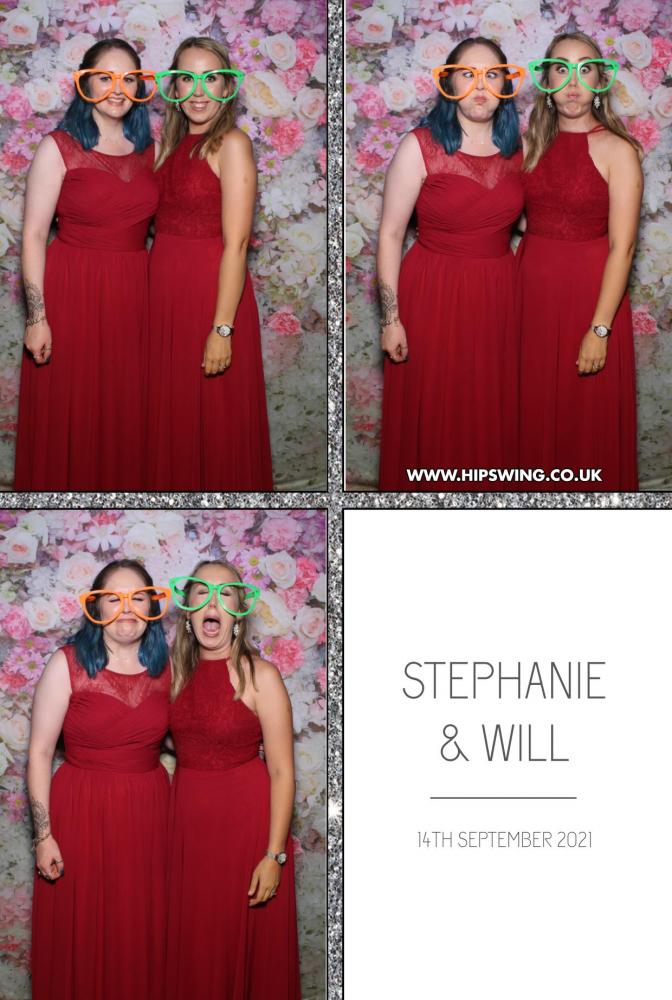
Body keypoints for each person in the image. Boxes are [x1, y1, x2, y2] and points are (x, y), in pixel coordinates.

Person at [377, 37, 526, 491]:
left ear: (505, 84)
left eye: (491, 75)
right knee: (435, 410)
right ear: (449, 82)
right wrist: (391, 319)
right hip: (433, 293)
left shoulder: (522, 148)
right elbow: (390, 234)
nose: (480, 86)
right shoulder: (419, 146)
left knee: (492, 411)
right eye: (467, 74)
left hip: (500, 294)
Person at [14, 40, 159, 490]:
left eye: (128, 78)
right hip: (72, 291)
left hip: (134, 296)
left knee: (127, 410)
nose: (117, 89)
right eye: (105, 77)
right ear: (85, 82)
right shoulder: (58, 147)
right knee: (69, 409)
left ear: (139, 87)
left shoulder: (151, 150)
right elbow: (34, 235)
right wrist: (37, 317)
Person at [28, 559, 171, 999]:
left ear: (152, 606)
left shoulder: (169, 667)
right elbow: (39, 753)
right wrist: (44, 836)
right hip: (81, 812)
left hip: (149, 816)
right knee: (82, 929)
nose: (126, 608)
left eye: (137, 597)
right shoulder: (67, 664)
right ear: (96, 606)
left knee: (139, 930)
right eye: (114, 598)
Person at [166, 560, 301, 998]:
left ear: (239, 611)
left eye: (225, 594)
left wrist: (273, 855)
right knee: (197, 954)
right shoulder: (172, 675)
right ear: (188, 611)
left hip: (248, 832)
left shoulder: (261, 676)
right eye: (201, 593)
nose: (213, 603)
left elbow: (282, 771)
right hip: (187, 834)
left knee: (247, 951)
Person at [518, 32, 643, 490]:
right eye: (562, 69)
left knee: (585, 420)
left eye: (584, 69)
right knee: (531, 416)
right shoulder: (527, 144)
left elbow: (623, 248)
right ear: (547, 81)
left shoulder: (618, 150)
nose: (573, 83)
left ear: (599, 81)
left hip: (592, 299)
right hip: (530, 297)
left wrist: (600, 329)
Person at [147, 37, 273, 490]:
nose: (199, 91)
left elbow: (236, 245)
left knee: (216, 419)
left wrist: (222, 329)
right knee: (174, 416)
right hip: (164, 297)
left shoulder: (232, 144)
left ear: (227, 86)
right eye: (187, 78)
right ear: (175, 87)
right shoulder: (169, 144)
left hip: (212, 295)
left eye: (211, 77)